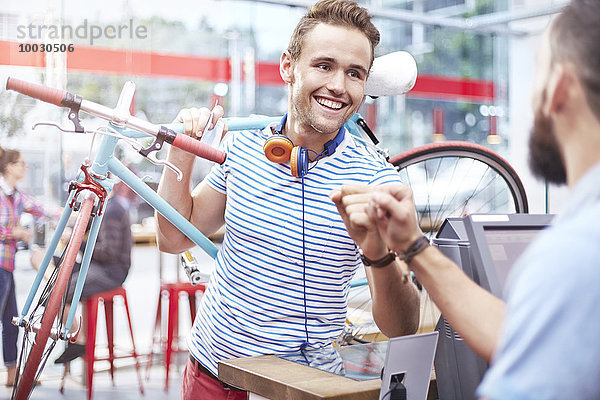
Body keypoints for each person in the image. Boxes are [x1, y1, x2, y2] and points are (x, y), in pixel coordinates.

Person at [333, 0, 600, 398]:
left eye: (536, 76)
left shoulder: (575, 254)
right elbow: (523, 336)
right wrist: (413, 246)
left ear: (558, 87)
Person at [155, 0, 420, 398]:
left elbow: (402, 327)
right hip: (213, 372)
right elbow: (173, 239)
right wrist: (180, 152)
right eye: (324, 65)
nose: (338, 86)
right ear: (288, 67)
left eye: (354, 73)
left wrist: (378, 253)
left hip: (303, 387)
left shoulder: (378, 181)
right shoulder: (243, 148)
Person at [30, 180, 135, 364]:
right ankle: (74, 326)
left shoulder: (112, 210)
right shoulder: (102, 207)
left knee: (53, 298)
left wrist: (76, 240)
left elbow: (109, 253)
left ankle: (78, 337)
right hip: (95, 266)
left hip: (110, 272)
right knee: (39, 256)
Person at [0, 147, 45, 387]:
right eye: (22, 163)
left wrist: (73, 211)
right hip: (0, 266)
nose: (25, 167)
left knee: (11, 321)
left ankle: (12, 374)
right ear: (9, 167)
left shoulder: (16, 195)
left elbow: (41, 209)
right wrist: (14, 233)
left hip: (6, 266)